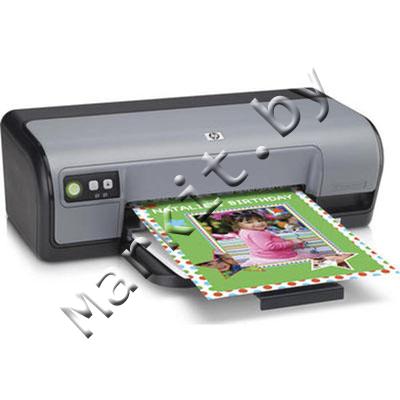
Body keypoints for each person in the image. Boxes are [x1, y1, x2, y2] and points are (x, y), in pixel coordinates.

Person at [230, 211, 306, 267]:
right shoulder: (256, 233)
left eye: (260, 220)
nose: (258, 223)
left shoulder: (244, 231)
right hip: (275, 257)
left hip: (261, 255)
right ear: (239, 225)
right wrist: (292, 242)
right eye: (250, 222)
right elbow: (269, 246)